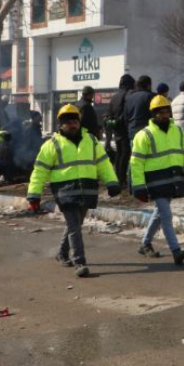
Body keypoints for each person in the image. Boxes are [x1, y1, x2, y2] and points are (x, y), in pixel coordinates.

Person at [28, 104, 121, 277]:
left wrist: (112, 182)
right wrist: (34, 194)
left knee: (75, 225)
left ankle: (62, 253)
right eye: (68, 122)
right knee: (74, 226)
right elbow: (40, 170)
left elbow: (103, 163)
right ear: (61, 124)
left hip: (87, 189)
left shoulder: (91, 141)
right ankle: (80, 262)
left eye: (75, 121)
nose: (72, 125)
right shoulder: (51, 145)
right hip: (64, 191)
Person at [130, 95, 184, 265]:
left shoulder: (177, 131)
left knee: (160, 213)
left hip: (173, 180)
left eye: (167, 112)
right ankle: (176, 250)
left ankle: (145, 243)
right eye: (160, 113)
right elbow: (136, 163)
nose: (165, 115)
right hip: (155, 183)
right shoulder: (144, 135)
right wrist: (138, 186)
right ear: (153, 114)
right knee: (166, 214)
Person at [107, 74, 136, 185]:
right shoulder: (128, 95)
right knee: (125, 153)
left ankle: (117, 177)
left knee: (119, 153)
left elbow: (109, 113)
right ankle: (122, 179)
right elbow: (126, 112)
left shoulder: (114, 97)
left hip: (116, 128)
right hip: (125, 127)